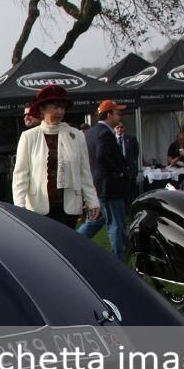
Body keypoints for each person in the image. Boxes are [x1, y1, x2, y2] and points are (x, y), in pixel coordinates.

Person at [12, 85, 99, 228]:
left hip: (68, 208)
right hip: (38, 208)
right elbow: (20, 175)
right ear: (42, 109)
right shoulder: (29, 137)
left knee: (65, 247)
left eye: (62, 108)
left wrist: (92, 200)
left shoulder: (76, 135)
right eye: (55, 107)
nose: (60, 111)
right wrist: (19, 206)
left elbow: (85, 172)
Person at [76, 100, 130, 261]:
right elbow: (102, 156)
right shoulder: (104, 133)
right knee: (116, 226)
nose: (120, 116)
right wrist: (117, 172)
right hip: (109, 187)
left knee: (94, 222)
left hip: (98, 187)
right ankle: (119, 261)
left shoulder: (91, 132)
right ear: (109, 114)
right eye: (118, 113)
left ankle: (71, 244)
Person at [113, 119, 140, 205]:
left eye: (121, 127)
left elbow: (136, 153)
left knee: (131, 191)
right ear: (114, 129)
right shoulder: (111, 139)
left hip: (129, 170)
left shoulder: (131, 138)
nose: (119, 129)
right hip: (117, 171)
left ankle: (131, 209)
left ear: (124, 128)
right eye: (117, 127)